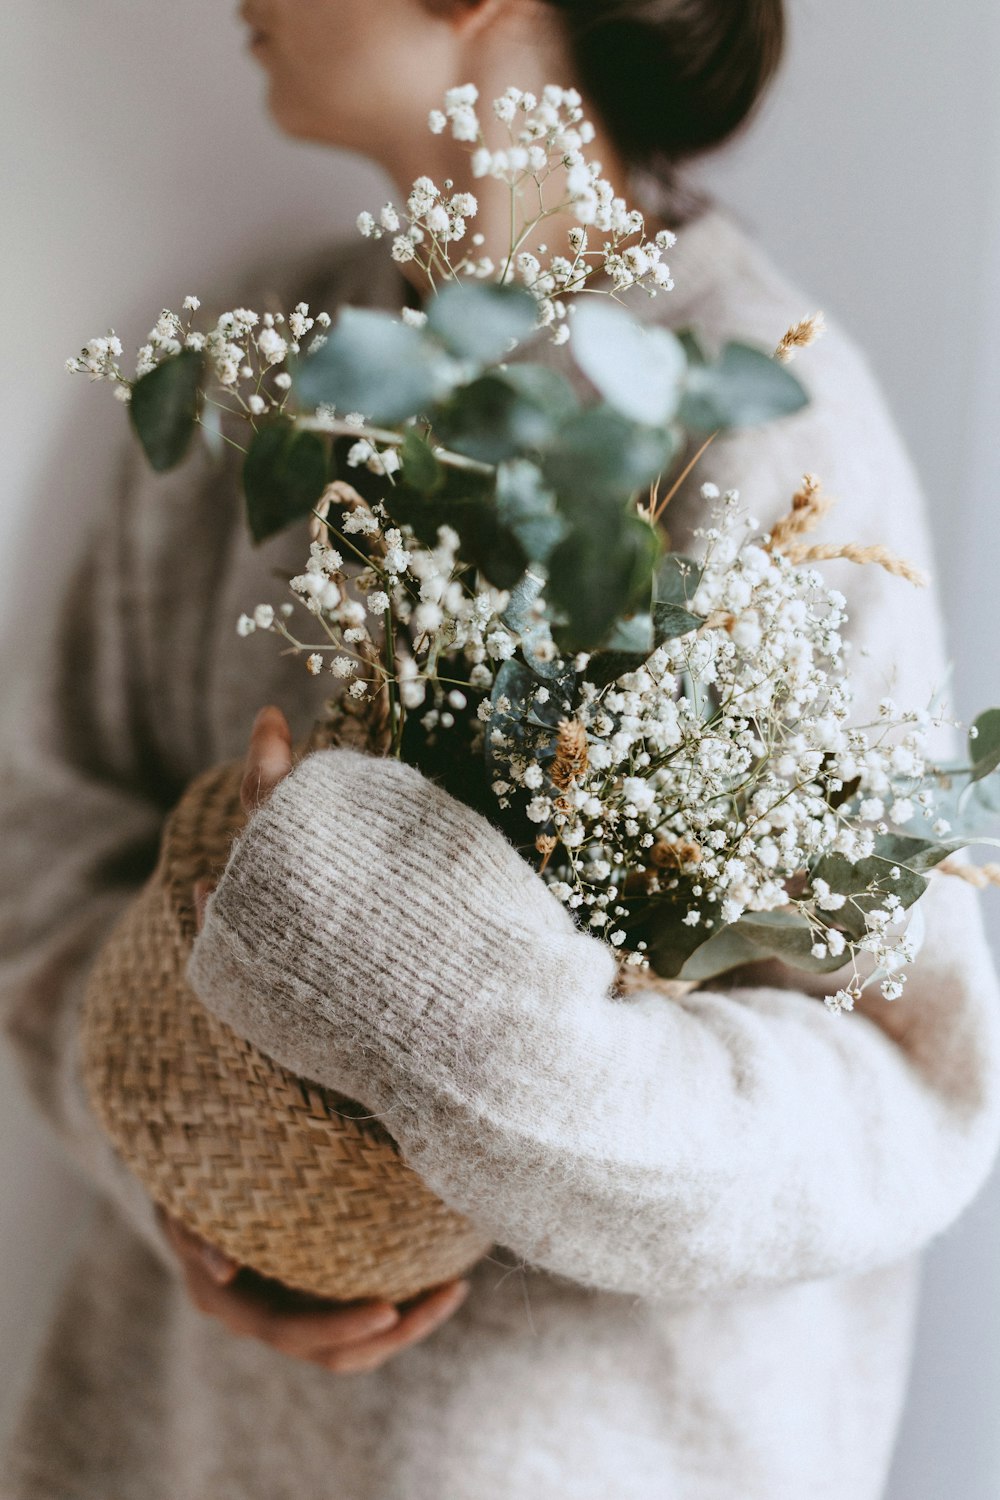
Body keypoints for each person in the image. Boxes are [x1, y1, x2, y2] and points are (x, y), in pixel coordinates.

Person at [2, 1, 999, 1496]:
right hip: (173, 1445)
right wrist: (204, 1171)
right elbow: (42, 849)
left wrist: (450, 1022)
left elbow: (903, 1093)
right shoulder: (252, 375)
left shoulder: (757, 425)